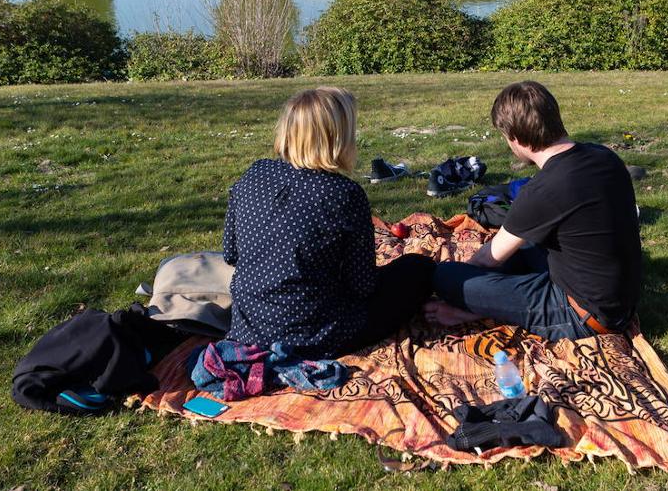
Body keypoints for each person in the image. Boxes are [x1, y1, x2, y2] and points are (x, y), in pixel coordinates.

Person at [222, 86, 434, 359]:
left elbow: (230, 253)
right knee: (418, 268)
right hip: (316, 335)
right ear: (338, 137)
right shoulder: (343, 194)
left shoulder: (255, 173)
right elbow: (362, 286)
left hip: (249, 328)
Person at [426, 81, 641, 339]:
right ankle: (487, 306)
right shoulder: (604, 156)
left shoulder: (544, 189)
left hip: (584, 313)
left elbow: (487, 258)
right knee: (526, 246)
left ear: (515, 138)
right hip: (614, 293)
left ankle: (476, 310)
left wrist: (462, 287)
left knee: (447, 277)